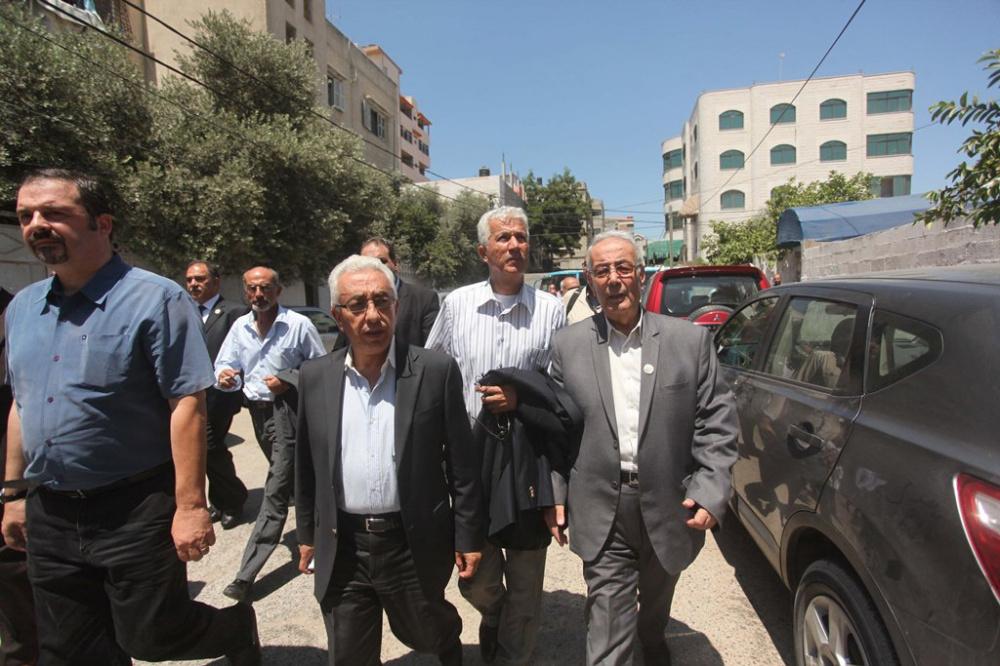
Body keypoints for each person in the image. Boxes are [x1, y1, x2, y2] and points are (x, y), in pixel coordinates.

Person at [1, 168, 259, 664]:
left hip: (133, 508)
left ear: (101, 223)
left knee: (151, 636)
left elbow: (187, 404)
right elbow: (22, 403)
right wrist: (13, 494)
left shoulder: (156, 299)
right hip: (50, 510)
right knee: (71, 647)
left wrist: (190, 506)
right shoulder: (23, 309)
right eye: (26, 215)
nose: (36, 224)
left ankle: (235, 628)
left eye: (54, 213)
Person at [549, 230, 739, 666]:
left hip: (670, 501)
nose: (613, 279)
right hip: (601, 504)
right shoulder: (567, 346)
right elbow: (556, 431)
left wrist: (711, 488)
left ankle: (652, 636)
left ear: (640, 275)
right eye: (602, 271)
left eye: (622, 268)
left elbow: (716, 421)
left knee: (656, 596)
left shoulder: (689, 341)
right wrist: (555, 494)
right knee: (607, 623)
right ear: (590, 281)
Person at [295, 255, 484, 665]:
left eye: (382, 301)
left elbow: (462, 465)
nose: (373, 315)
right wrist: (307, 533)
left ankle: (447, 639)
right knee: (349, 655)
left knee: (426, 633)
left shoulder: (434, 371)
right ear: (338, 316)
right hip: (344, 546)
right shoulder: (315, 376)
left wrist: (468, 537)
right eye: (358, 305)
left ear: (396, 307)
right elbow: (307, 465)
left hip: (408, 543)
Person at [426, 205, 565, 665]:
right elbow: (432, 373)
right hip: (470, 461)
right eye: (503, 238)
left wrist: (521, 398)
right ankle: (495, 616)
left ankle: (511, 655)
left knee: (525, 584)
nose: (514, 246)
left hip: (528, 460)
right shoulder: (457, 305)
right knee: (476, 578)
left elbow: (561, 387)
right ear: (483, 251)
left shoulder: (550, 310)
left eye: (521, 237)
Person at [214, 266, 325, 602]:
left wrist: (288, 380)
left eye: (264, 288)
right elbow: (224, 364)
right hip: (257, 415)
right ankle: (322, 534)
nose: (258, 294)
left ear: (278, 290)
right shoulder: (240, 327)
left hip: (287, 413)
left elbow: (321, 369)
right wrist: (226, 375)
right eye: (252, 288)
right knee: (295, 482)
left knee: (275, 490)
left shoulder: (298, 325)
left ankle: (245, 575)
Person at [185, 260, 249, 529]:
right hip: (190, 393)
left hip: (220, 395)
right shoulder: (184, 310)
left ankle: (233, 500)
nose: (193, 284)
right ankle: (221, 501)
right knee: (206, 449)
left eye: (199, 279)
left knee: (210, 447)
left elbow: (246, 351)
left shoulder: (234, 312)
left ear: (216, 281)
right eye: (189, 280)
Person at [359, 236, 440, 347]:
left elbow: (433, 349)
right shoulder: (353, 302)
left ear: (395, 264)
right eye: (367, 263)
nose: (376, 267)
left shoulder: (425, 300)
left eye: (382, 261)